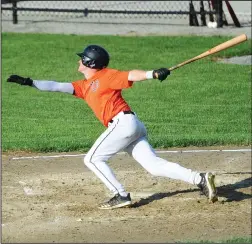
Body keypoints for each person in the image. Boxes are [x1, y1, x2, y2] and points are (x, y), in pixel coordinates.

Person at [7, 44, 218, 209]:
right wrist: (29, 82)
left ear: (89, 63)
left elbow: (130, 75)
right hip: (130, 125)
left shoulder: (106, 76)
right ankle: (199, 178)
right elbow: (55, 86)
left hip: (124, 123)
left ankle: (121, 195)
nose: (78, 61)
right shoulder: (83, 86)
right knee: (153, 166)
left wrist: (151, 73)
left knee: (92, 159)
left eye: (82, 59)